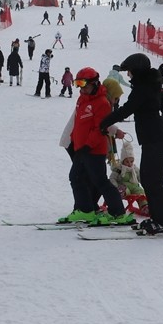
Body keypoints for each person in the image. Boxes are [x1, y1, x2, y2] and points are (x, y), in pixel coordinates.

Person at [100, 53, 163, 235]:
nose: (128, 75)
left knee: (153, 182)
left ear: (136, 71)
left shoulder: (143, 89)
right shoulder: (150, 86)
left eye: (129, 72)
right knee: (149, 180)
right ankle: (159, 219)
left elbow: (127, 109)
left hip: (154, 137)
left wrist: (104, 122)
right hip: (154, 137)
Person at [57, 67, 132, 226]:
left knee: (100, 181)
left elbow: (100, 128)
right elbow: (77, 125)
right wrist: (76, 143)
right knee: (76, 177)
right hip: (80, 148)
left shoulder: (102, 103)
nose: (81, 88)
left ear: (94, 83)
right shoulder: (82, 99)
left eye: (84, 84)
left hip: (93, 149)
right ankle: (85, 210)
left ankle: (118, 212)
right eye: (78, 84)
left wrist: (87, 145)